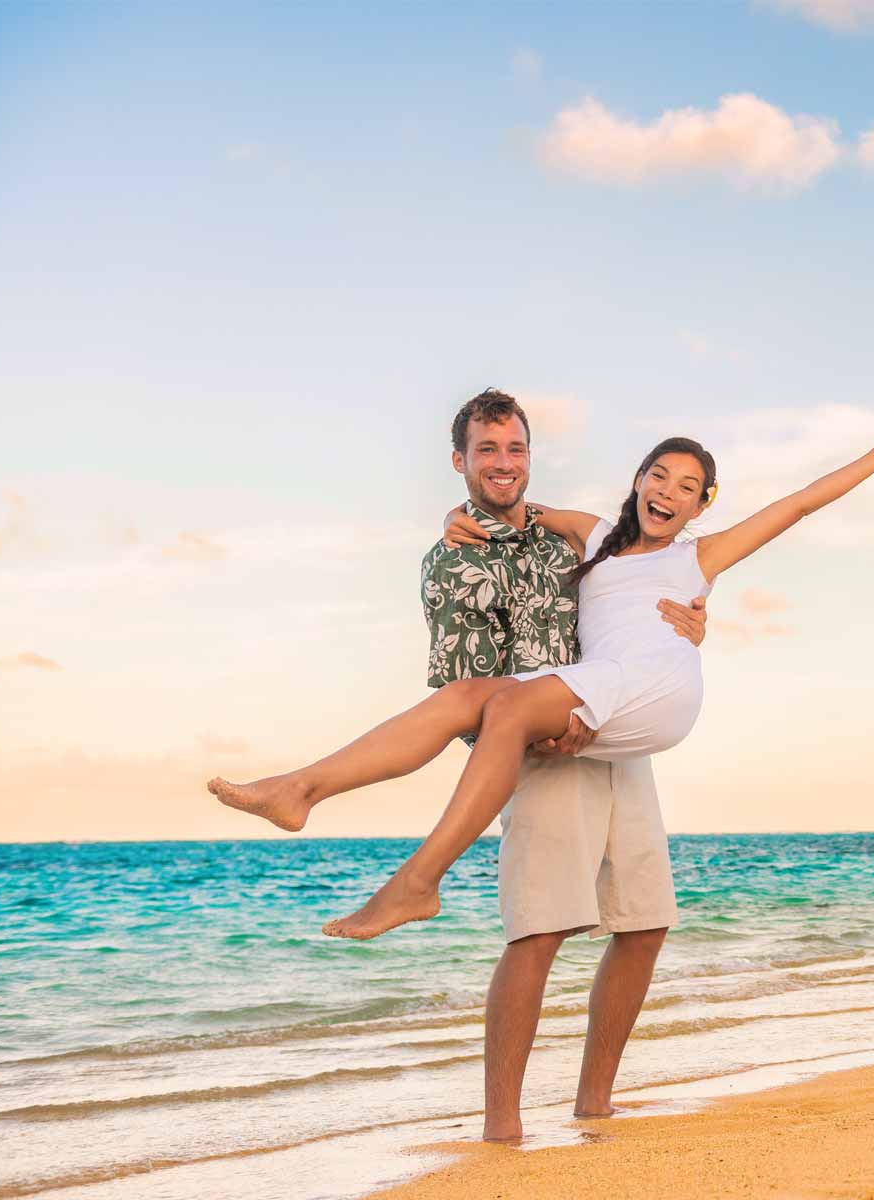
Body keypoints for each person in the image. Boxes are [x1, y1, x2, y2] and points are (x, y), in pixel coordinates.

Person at [210, 389, 706, 1140]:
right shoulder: (450, 561)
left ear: (531, 458)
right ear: (460, 461)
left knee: (644, 923)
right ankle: (501, 1130)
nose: (503, 465)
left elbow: (642, 588)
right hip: (538, 746)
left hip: (612, 726)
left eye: (515, 450)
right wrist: (535, 735)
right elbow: (461, 685)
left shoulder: (573, 542)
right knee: (539, 931)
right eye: (487, 451)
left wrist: (695, 615)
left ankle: (594, 1102)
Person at [212, 423, 874, 943]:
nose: (669, 493)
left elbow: (797, 505)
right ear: (639, 480)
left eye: (688, 488)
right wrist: (454, 520)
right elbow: (508, 509)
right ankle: (300, 790)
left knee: (511, 707)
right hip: (597, 676)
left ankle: (419, 881)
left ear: (702, 506)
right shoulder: (593, 532)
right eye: (660, 477)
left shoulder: (699, 556)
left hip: (656, 685)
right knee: (466, 697)